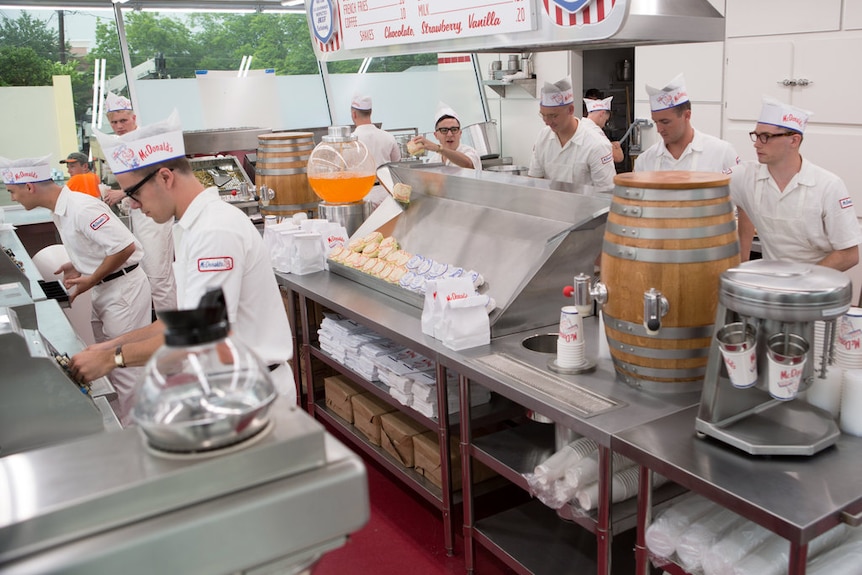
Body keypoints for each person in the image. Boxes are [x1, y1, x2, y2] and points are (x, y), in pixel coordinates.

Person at [70, 111, 296, 405]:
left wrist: (114, 359)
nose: (133, 206)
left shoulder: (214, 231)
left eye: (134, 194)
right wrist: (111, 345)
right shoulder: (191, 226)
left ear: (165, 177)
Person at [0, 154, 152, 426]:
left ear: (29, 186)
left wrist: (91, 278)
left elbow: (124, 247)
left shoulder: (82, 208)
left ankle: (136, 431)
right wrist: (78, 264)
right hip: (105, 288)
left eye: (12, 191)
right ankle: (123, 420)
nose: (13, 198)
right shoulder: (60, 209)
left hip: (123, 290)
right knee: (108, 359)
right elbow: (97, 245)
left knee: (126, 367)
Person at [730, 97, 861, 271]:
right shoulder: (745, 176)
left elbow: (849, 254)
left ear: (794, 140)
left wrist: (802, 281)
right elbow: (702, 184)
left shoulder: (828, 186)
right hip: (774, 284)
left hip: (817, 288)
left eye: (765, 137)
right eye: (756, 135)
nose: (756, 144)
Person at [100, 91, 178, 312]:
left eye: (123, 120)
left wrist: (122, 193)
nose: (119, 125)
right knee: (147, 273)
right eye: (114, 122)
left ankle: (172, 332)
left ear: (134, 118)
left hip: (156, 215)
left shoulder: (146, 142)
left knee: (158, 275)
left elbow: (157, 178)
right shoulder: (119, 145)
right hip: (138, 212)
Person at [634, 73, 739, 173]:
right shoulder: (645, 161)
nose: (659, 129)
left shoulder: (721, 153)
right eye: (656, 122)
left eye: (665, 122)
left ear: (687, 115)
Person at [527, 77, 616, 191]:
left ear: (570, 110)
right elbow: (534, 182)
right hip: (551, 206)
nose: (547, 122)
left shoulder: (596, 145)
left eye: (553, 116)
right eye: (543, 115)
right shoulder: (543, 137)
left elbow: (607, 194)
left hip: (587, 208)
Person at [408, 103, 482, 170]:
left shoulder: (469, 152)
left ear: (460, 133)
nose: (450, 134)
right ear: (436, 135)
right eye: (444, 130)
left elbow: (467, 163)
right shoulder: (434, 161)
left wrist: (439, 149)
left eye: (454, 129)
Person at [351, 94, 400, 167]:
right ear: (371, 112)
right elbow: (397, 163)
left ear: (354, 114)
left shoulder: (350, 142)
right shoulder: (389, 137)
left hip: (362, 178)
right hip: (384, 178)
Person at [582, 95, 624, 163]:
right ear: (602, 113)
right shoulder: (596, 133)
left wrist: (610, 144)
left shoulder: (580, 126)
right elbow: (618, 157)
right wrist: (617, 148)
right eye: (605, 120)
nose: (604, 125)